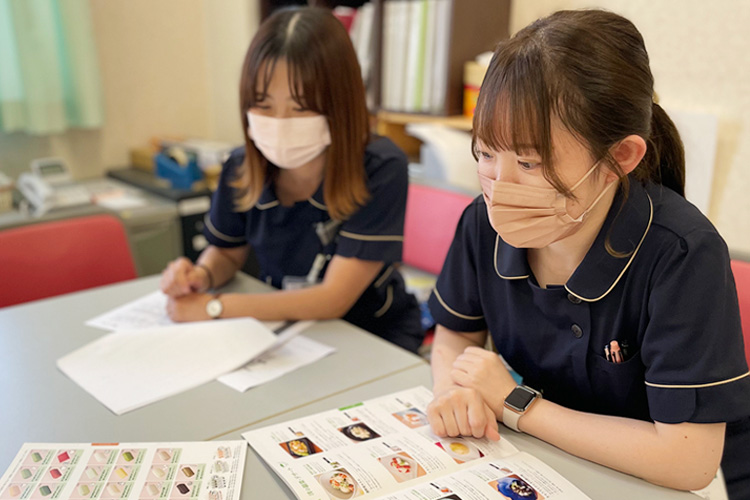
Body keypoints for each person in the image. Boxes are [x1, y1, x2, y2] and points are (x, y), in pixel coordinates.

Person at [425, 9, 750, 498]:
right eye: (486, 153)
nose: (500, 186)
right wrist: (452, 390)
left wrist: (516, 403)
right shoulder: (482, 222)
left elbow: (688, 460)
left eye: (530, 162)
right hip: (544, 460)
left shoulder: (683, 254)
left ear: (619, 158)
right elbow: (453, 335)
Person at [159, 7, 424, 353]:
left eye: (300, 108)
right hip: (285, 332)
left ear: (339, 104)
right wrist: (201, 276)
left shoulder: (380, 166)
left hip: (371, 335)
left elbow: (333, 300)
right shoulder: (240, 166)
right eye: (263, 105)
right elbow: (226, 252)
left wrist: (214, 307)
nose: (280, 122)